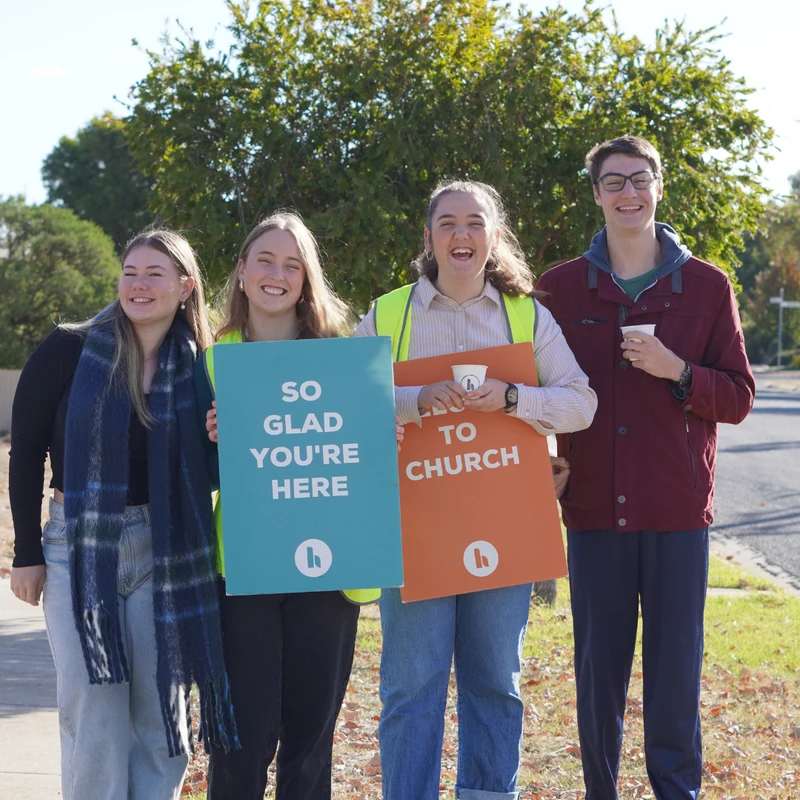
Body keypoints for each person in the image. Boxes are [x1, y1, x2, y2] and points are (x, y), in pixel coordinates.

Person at [355, 179, 597, 800]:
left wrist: (513, 398)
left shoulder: (526, 314)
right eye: (448, 224)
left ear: (494, 237)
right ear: (429, 236)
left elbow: (581, 404)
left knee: (495, 680)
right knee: (412, 686)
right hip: (416, 527)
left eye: (474, 223)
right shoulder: (387, 313)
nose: (461, 235)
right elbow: (349, 403)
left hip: (505, 528)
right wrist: (410, 401)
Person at [537, 134, 755, 800]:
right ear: (595, 192)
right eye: (614, 182)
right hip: (595, 511)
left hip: (676, 513)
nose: (628, 194)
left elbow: (740, 396)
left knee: (674, 676)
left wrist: (680, 372)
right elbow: (542, 389)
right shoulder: (561, 287)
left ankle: (676, 792)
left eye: (640, 180)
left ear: (660, 186)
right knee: (597, 677)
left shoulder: (708, 286)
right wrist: (550, 462)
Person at [8, 229, 237, 800]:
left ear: (186, 287)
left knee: (162, 716)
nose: (138, 285)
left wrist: (222, 440)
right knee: (94, 711)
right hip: (79, 547)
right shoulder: (69, 348)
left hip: (169, 548)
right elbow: (26, 449)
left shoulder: (205, 368)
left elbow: (213, 476)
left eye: (154, 274)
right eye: (130, 272)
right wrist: (26, 555)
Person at [201, 211, 377, 800]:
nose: (277, 275)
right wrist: (210, 441)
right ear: (243, 272)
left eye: (292, 265)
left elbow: (365, 458)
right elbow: (184, 473)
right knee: (241, 738)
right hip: (244, 567)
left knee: (309, 739)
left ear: (307, 279)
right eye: (266, 261)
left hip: (329, 569)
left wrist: (378, 434)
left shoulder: (341, 356)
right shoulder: (207, 358)